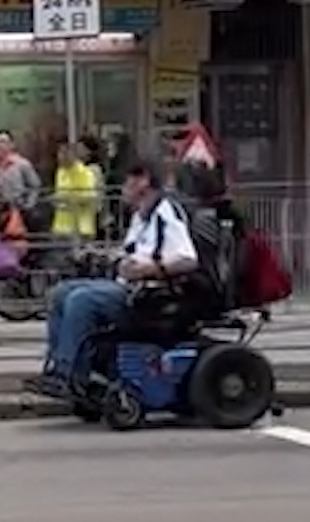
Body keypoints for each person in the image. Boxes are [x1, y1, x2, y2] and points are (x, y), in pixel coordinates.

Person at [42, 162, 199, 392]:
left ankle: (71, 374)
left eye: (127, 182)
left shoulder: (165, 212)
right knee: (60, 293)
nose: (123, 189)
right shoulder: (141, 216)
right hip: (127, 286)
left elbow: (188, 259)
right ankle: (59, 366)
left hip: (150, 295)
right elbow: (132, 251)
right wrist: (101, 255)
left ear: (143, 181)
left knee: (82, 300)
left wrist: (149, 269)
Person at [50, 139, 103, 246]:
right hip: (61, 229)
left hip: (81, 229)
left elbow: (90, 198)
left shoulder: (86, 173)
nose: (60, 157)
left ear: (73, 155)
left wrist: (66, 200)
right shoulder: (60, 172)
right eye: (59, 153)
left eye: (64, 153)